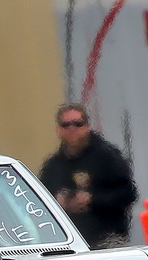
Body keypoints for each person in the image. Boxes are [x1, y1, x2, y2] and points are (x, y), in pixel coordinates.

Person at [38, 103, 138, 249]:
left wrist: (91, 199)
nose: (72, 129)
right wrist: (57, 202)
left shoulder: (107, 157)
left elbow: (128, 194)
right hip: (70, 244)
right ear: (58, 130)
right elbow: (37, 204)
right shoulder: (53, 166)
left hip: (108, 238)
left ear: (87, 127)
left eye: (77, 124)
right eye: (66, 125)